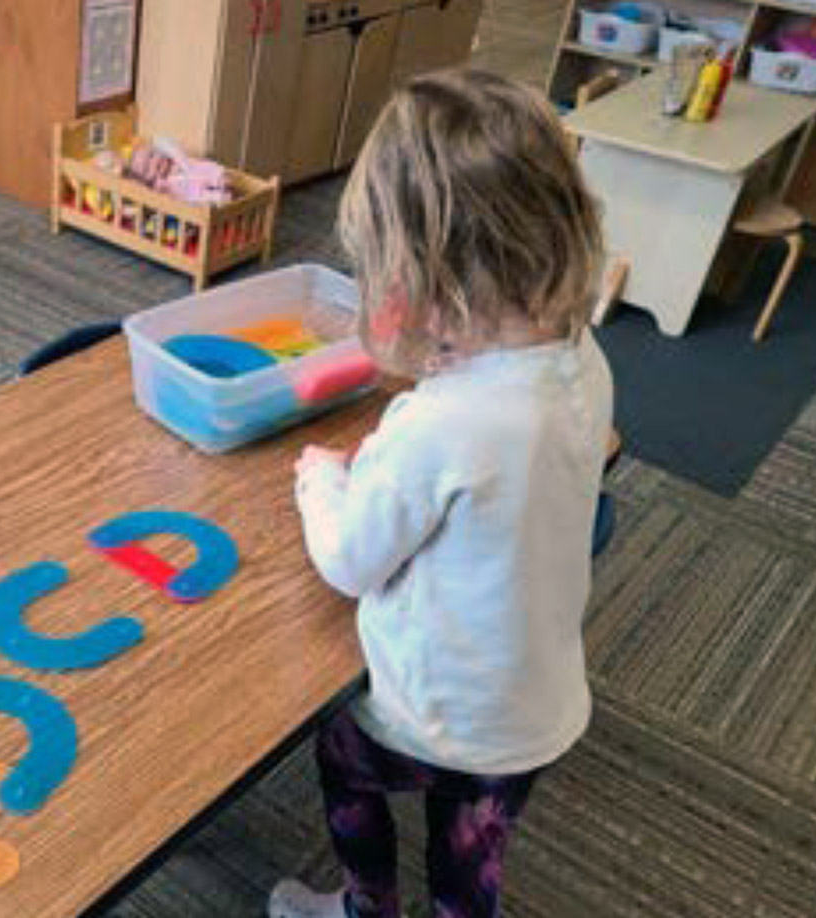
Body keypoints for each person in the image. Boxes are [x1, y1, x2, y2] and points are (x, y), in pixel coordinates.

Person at [269, 69, 615, 918]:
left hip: (434, 717)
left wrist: (325, 480)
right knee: (469, 863)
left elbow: (349, 559)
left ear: (428, 273)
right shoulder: (584, 359)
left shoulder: (444, 422)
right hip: (533, 716)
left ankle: (365, 908)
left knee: (342, 756)